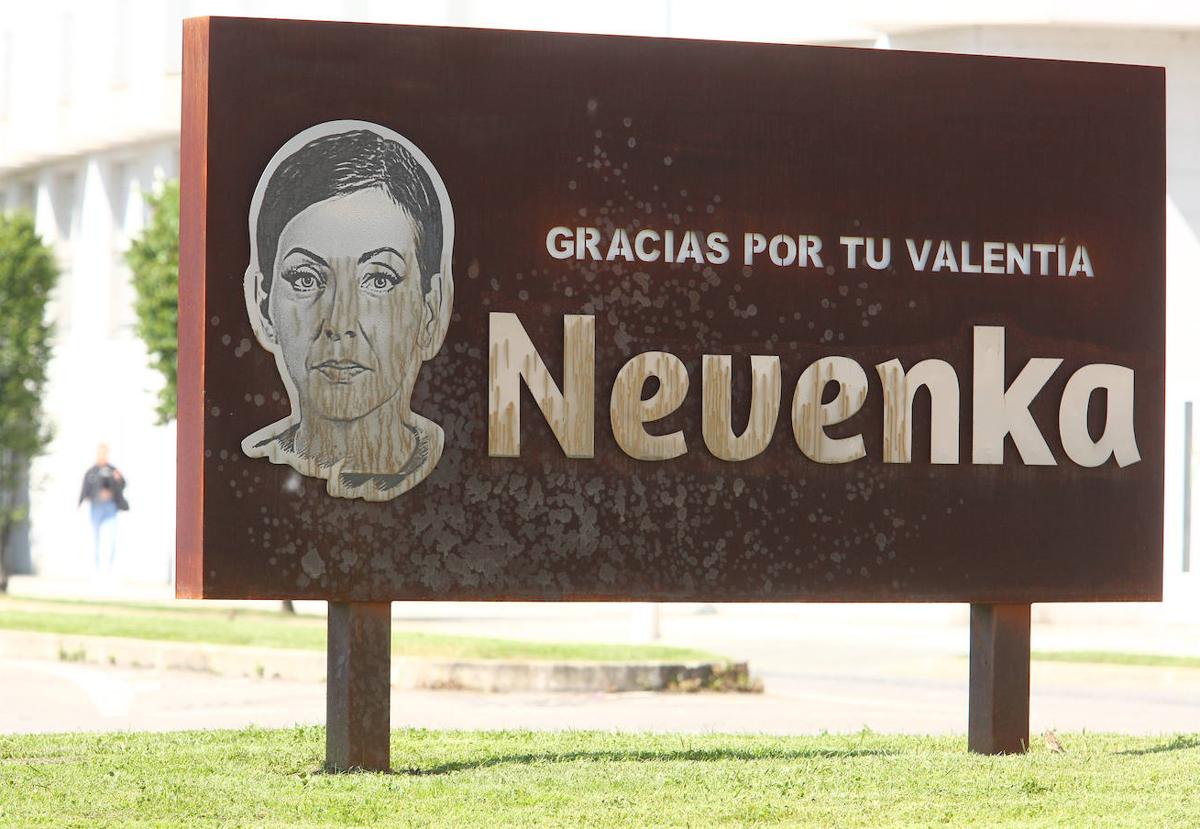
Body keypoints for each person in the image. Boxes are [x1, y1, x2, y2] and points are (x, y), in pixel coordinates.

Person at [241, 120, 455, 502]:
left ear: (430, 310)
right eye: (306, 279)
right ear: (263, 303)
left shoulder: (461, 490)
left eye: (379, 280)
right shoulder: (236, 487)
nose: (339, 323)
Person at [78, 443, 128, 576]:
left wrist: (119, 479)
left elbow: (123, 484)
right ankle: (96, 570)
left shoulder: (113, 470)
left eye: (105, 453)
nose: (103, 456)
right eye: (101, 452)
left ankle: (108, 570)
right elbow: (85, 489)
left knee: (110, 538)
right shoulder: (91, 471)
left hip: (110, 507)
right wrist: (83, 502)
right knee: (95, 538)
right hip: (96, 507)